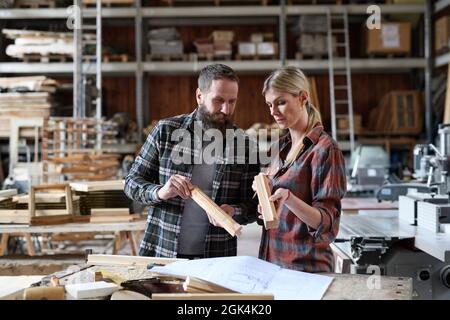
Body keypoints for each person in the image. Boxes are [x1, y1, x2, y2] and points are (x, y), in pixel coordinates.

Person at [124, 64, 259, 259]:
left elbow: (253, 206)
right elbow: (131, 183)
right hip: (165, 252)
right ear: (199, 96)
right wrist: (161, 192)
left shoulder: (245, 145)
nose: (226, 109)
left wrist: (234, 211)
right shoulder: (166, 131)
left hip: (217, 257)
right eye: (218, 100)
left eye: (232, 101)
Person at [253, 66, 347, 273]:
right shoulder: (280, 147)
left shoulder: (324, 149)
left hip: (306, 268)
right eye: (269, 104)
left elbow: (327, 226)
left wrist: (289, 199)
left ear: (303, 98)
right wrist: (264, 197)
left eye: (281, 102)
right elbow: (277, 213)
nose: (273, 112)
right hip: (273, 263)